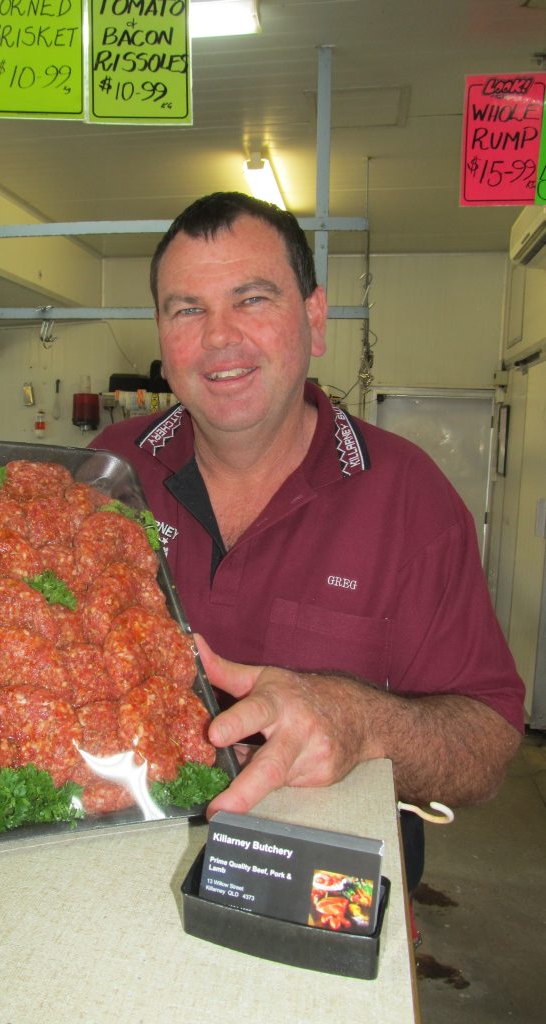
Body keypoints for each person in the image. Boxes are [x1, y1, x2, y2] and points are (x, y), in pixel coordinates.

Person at [90, 191, 525, 891]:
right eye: (186, 309)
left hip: (314, 889)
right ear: (162, 339)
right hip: (109, 866)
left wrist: (360, 721)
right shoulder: (107, 471)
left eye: (252, 299)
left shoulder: (409, 498)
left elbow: (487, 747)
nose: (219, 337)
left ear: (314, 319)